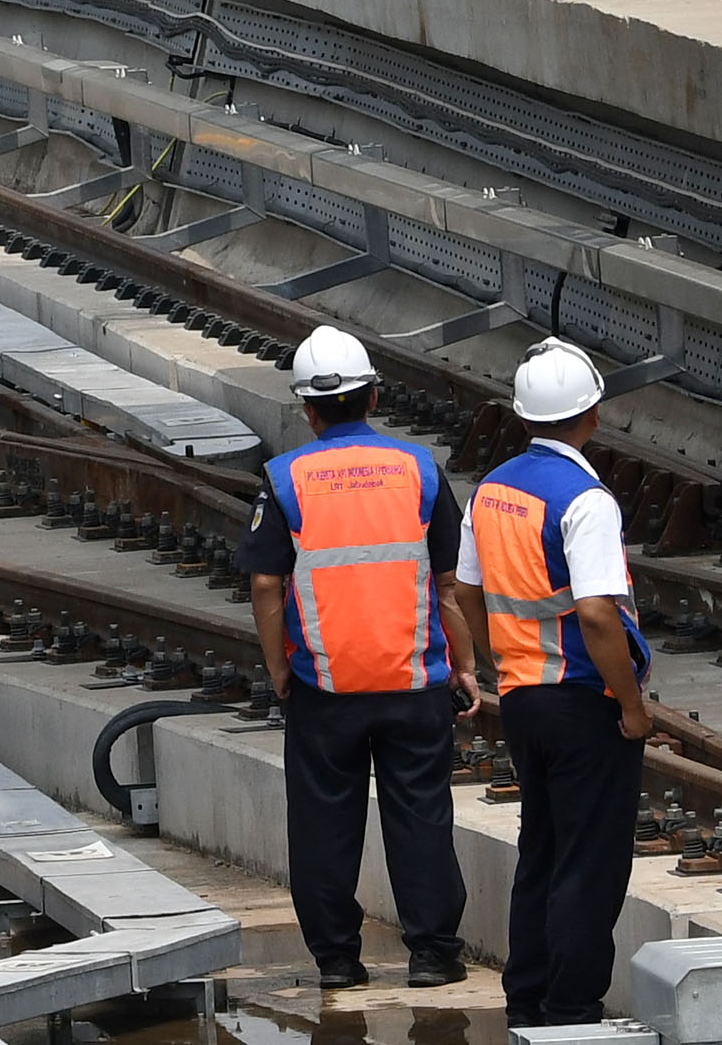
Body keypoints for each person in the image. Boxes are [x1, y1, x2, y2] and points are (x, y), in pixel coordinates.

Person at [235, 327, 469, 991]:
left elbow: (266, 584)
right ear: (373, 396)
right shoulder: (420, 469)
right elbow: (449, 585)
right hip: (414, 680)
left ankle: (337, 959)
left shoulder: (284, 478)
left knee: (323, 824)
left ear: (308, 409)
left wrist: (279, 667)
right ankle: (432, 954)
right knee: (421, 815)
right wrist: (465, 665)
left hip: (324, 686)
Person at [445, 340, 653, 1028]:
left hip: (524, 698)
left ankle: (528, 1000)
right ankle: (571, 1010)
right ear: (592, 413)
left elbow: (467, 592)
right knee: (590, 863)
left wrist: (504, 663)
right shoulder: (586, 500)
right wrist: (631, 707)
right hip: (583, 702)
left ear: (524, 414)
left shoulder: (492, 490)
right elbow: (596, 613)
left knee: (541, 851)